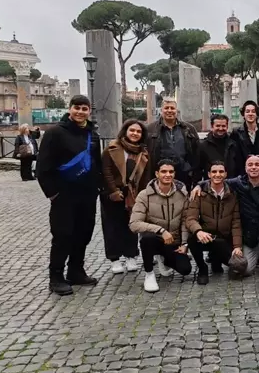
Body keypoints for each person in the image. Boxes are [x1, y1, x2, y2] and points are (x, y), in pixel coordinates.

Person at [36, 95, 102, 296]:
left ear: (89, 111)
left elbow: (96, 164)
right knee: (63, 235)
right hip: (63, 194)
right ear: (70, 109)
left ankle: (76, 270)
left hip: (87, 194)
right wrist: (53, 194)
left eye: (84, 108)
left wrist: (98, 188)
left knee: (83, 234)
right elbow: (43, 167)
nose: (80, 112)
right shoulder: (55, 133)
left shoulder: (93, 134)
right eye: (77, 108)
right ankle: (56, 277)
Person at [194, 155, 259, 278]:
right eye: (250, 165)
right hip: (249, 234)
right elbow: (218, 180)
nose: (253, 167)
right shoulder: (238, 183)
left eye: (257, 165)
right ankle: (258, 252)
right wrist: (199, 185)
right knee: (245, 270)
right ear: (246, 168)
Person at [129, 160, 192, 293]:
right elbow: (134, 224)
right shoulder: (144, 195)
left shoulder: (182, 194)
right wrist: (161, 230)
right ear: (157, 174)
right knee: (147, 238)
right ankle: (149, 273)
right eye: (164, 171)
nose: (167, 175)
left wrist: (185, 243)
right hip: (155, 238)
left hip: (173, 241)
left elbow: (185, 220)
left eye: (171, 172)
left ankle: (164, 258)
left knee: (185, 269)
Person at [101, 119, 152, 275]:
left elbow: (146, 176)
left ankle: (131, 255)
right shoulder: (111, 148)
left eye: (138, 132)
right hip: (113, 193)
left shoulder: (143, 153)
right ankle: (115, 258)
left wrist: (143, 196)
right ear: (125, 131)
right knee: (112, 226)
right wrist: (113, 191)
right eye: (132, 130)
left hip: (134, 194)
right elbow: (106, 171)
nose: (135, 134)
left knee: (131, 225)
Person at [184, 161, 243, 285]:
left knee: (239, 267)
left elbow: (236, 222)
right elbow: (190, 219)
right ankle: (202, 268)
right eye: (214, 172)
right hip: (206, 236)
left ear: (226, 174)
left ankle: (216, 259)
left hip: (224, 238)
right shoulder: (199, 194)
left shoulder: (232, 195)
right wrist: (198, 231)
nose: (218, 174)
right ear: (209, 174)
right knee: (192, 238)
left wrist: (237, 246)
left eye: (221, 171)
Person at [147, 97, 200, 191]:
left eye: (172, 108)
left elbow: (197, 152)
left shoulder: (189, 128)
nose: (169, 111)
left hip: (184, 175)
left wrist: (194, 174)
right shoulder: (150, 129)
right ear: (161, 110)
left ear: (177, 111)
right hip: (160, 175)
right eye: (166, 108)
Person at [199, 114, 240, 178]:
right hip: (211, 185)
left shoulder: (234, 145)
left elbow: (239, 167)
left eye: (223, 126)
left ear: (227, 127)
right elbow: (198, 169)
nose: (221, 128)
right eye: (218, 126)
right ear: (212, 127)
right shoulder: (203, 146)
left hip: (231, 184)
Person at [230, 100, 259, 173]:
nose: (250, 114)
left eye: (253, 111)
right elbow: (233, 155)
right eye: (247, 111)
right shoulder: (236, 132)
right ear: (243, 114)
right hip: (241, 172)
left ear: (257, 114)